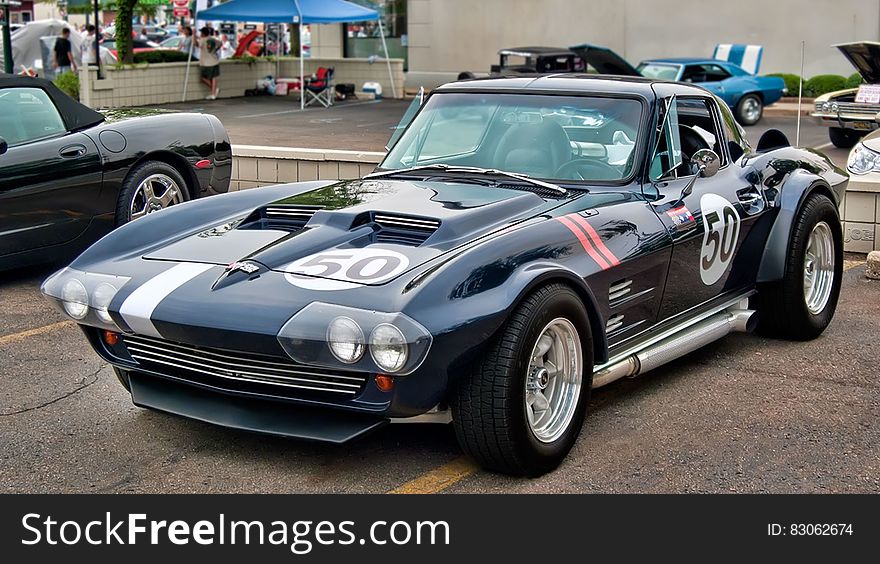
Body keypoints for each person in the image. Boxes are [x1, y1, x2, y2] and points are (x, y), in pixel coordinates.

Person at [197, 26, 221, 100]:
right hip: (214, 61)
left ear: (203, 33)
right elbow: (220, 43)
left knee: (203, 78)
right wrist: (216, 50)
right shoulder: (213, 39)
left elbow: (197, 45)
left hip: (205, 62)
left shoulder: (202, 40)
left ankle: (213, 92)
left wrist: (194, 37)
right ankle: (214, 92)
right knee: (213, 77)